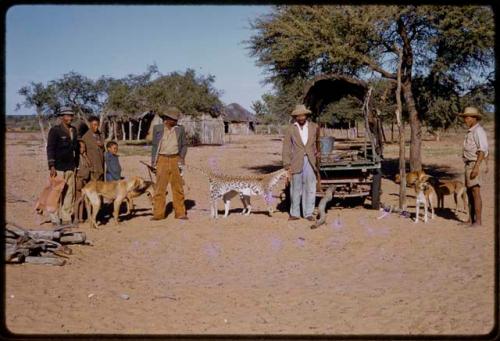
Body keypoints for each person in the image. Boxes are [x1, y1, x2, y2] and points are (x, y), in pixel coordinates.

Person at [282, 104, 319, 221]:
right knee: (295, 187)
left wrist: (318, 155)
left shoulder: (314, 127)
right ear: (295, 117)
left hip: (311, 160)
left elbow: (317, 144)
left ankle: (308, 213)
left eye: (303, 115)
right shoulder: (290, 129)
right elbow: (286, 147)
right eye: (299, 116)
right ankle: (295, 213)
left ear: (306, 115)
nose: (301, 118)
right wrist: (286, 164)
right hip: (296, 161)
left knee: (310, 186)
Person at [150, 106, 188, 221]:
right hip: (161, 159)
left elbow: (184, 145)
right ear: (167, 119)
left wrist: (181, 157)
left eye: (176, 119)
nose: (176, 121)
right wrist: (153, 162)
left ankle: (180, 213)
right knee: (159, 188)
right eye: (174, 119)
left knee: (178, 187)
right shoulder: (157, 129)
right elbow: (155, 146)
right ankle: (158, 214)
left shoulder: (180, 129)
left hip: (175, 159)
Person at [46, 106, 79, 225]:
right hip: (58, 168)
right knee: (56, 193)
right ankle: (54, 218)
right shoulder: (55, 131)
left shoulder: (73, 130)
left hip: (70, 166)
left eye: (71, 115)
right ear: (62, 117)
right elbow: (50, 148)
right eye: (67, 115)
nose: (70, 117)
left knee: (69, 193)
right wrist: (51, 165)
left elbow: (76, 149)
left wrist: (76, 165)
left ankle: (66, 218)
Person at [459, 106, 489, 227]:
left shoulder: (478, 131)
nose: (465, 119)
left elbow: (483, 150)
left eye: (467, 117)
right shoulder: (471, 131)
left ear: (474, 118)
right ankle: (471, 219)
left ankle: (478, 221)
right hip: (469, 164)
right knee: (470, 192)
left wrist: (477, 167)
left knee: (476, 192)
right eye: (465, 117)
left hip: (474, 164)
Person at [74, 140, 93, 223]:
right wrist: (77, 180)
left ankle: (81, 217)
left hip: (85, 181)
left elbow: (90, 165)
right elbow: (75, 171)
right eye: (81, 147)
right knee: (78, 200)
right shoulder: (77, 158)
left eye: (84, 148)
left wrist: (86, 156)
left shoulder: (84, 157)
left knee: (83, 199)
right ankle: (76, 217)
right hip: (79, 180)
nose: (83, 149)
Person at [81, 115, 105, 180]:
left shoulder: (100, 135)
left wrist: (102, 146)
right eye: (94, 125)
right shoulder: (85, 137)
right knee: (94, 186)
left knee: (101, 184)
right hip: (92, 166)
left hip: (101, 164)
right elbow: (83, 152)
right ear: (90, 124)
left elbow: (103, 150)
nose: (96, 127)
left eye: (97, 125)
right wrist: (88, 161)